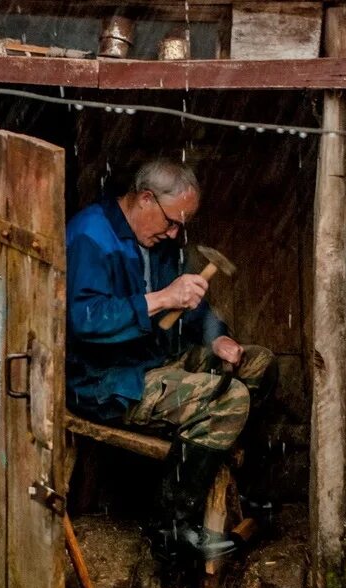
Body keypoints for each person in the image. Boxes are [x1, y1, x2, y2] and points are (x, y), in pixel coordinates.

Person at [66, 158, 277, 559]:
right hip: (107, 382)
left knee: (258, 363)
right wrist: (162, 298)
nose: (175, 233)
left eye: (182, 225)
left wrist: (218, 339)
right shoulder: (89, 236)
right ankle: (173, 527)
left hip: (156, 361)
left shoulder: (159, 242)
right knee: (229, 398)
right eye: (171, 222)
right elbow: (84, 320)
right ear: (145, 198)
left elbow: (191, 307)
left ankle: (232, 477)